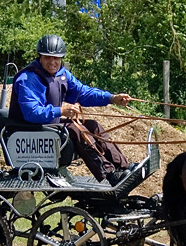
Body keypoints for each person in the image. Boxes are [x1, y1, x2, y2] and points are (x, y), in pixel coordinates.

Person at [9, 34, 133, 185]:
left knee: (92, 125)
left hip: (49, 126)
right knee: (75, 129)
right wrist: (60, 110)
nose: (53, 62)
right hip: (29, 131)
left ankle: (123, 167)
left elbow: (83, 93)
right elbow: (32, 113)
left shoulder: (62, 74)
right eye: (48, 57)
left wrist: (111, 98)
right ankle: (110, 174)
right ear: (40, 56)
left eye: (57, 58)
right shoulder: (29, 79)